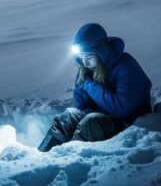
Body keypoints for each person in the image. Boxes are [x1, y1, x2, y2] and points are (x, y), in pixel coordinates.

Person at [38, 23, 153, 152]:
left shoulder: (126, 66)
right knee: (68, 116)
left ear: (101, 52)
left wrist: (89, 85)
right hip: (98, 120)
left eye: (89, 57)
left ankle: (68, 156)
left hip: (128, 123)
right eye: (81, 57)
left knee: (91, 122)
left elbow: (123, 108)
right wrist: (87, 114)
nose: (85, 63)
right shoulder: (86, 70)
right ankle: (44, 155)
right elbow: (80, 104)